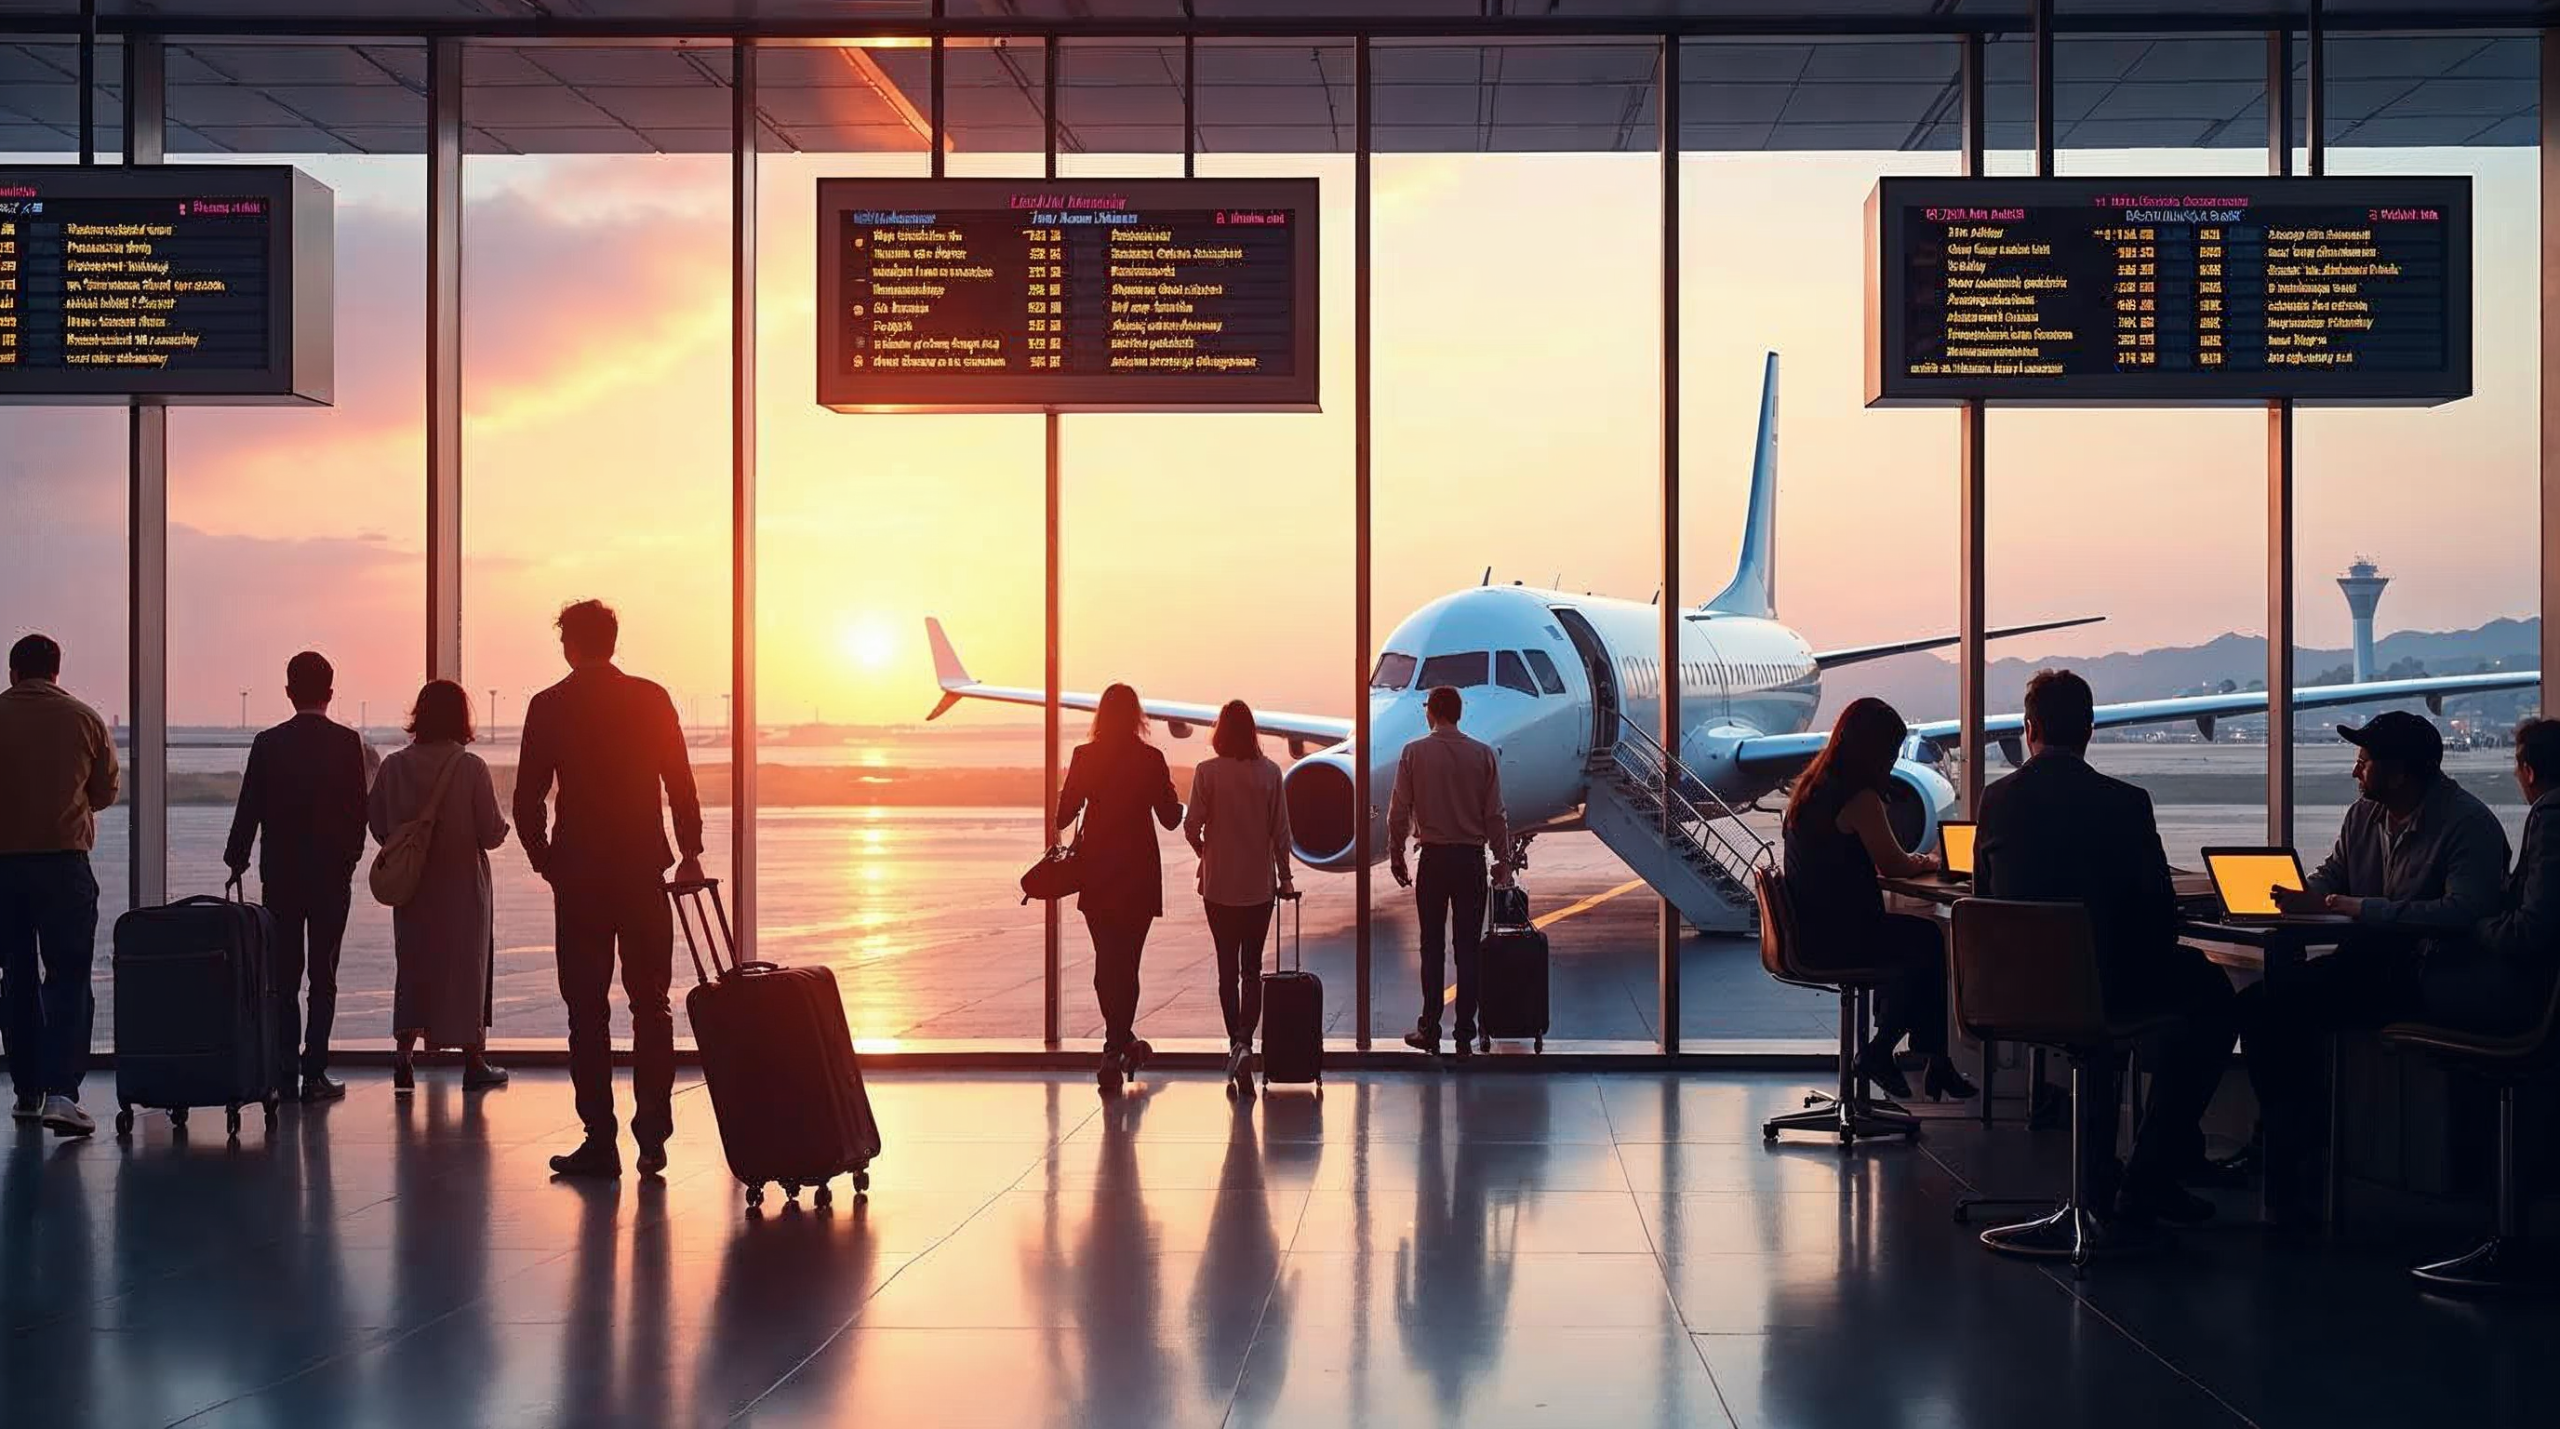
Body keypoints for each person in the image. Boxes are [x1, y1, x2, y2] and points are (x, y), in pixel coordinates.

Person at [1975, 669, 2238, 1229]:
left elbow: (1984, 899)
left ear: (2030, 729)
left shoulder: (1996, 800)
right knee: (2210, 995)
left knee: (2108, 1005)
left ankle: (2101, 1178)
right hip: (2105, 987)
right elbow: (2157, 913)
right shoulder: (2126, 803)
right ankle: (2150, 1174)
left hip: (2013, 989)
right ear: (2090, 731)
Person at [2240, 710, 2520, 1216]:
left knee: (2273, 1009)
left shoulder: (2467, 824)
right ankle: (2289, 1143)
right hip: (2372, 965)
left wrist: (2362, 909)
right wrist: (2305, 898)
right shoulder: (2364, 815)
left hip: (2429, 974)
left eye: (2363, 762)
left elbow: (2466, 913)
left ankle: (2289, 1146)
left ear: (2398, 773)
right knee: (2267, 1006)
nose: (2355, 772)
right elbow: (2336, 874)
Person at [516, 599, 704, 1179]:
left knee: (587, 1012)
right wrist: (690, 851)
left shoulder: (549, 705)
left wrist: (546, 859)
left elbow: (528, 797)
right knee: (652, 1006)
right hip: (642, 871)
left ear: (569, 646)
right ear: (614, 641)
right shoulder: (650, 698)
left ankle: (600, 1139)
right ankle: (653, 1137)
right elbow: (679, 780)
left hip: (580, 878)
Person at [1779, 697, 1975, 1101]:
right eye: (1889, 752)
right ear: (1874, 751)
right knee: (1928, 943)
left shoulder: (1811, 791)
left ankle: (1928, 1058)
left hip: (1812, 932)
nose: (1891, 762)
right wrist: (1929, 860)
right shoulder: (1859, 798)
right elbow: (1894, 865)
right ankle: (1892, 1052)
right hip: (1843, 938)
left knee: (1912, 943)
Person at [224, 651, 373, 1102]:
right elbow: (358, 812)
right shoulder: (349, 744)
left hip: (281, 877)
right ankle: (317, 1072)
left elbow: (249, 806)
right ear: (331, 693)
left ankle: (284, 1070)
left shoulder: (268, 744)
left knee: (283, 978)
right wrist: (349, 859)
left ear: (289, 693)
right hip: (330, 876)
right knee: (323, 976)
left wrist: (237, 859)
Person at [0, 634, 119, 1138]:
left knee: (16, 976)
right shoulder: (83, 719)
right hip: (64, 866)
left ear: (12, 673)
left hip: (3, 868)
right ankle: (63, 1094)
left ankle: (25, 1091)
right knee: (68, 976)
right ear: (56, 672)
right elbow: (106, 790)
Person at [370, 681, 511, 1095]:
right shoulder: (470, 767)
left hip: (414, 887)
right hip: (463, 886)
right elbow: (490, 832)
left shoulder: (394, 766)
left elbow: (378, 824)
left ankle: (403, 1057)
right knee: (467, 967)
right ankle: (473, 1060)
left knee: (413, 966)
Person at [1056, 683, 1184, 1093]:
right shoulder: (1151, 759)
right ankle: (1117, 1045)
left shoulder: (1084, 756)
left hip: (1097, 872)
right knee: (1127, 963)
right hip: (1138, 875)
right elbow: (1169, 819)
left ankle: (1117, 1046)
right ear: (1136, 717)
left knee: (1105, 961)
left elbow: (1062, 817)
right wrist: (1173, 797)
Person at [1387, 685, 1512, 1062]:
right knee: (1468, 950)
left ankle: (1430, 1028)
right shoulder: (1483, 755)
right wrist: (1503, 860)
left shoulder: (1414, 753)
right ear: (1458, 713)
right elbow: (1496, 815)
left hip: (1434, 861)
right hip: (1471, 860)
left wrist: (1396, 854)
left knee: (1431, 948)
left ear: (1432, 712)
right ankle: (1464, 1034)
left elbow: (1398, 811)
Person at [1183, 700, 1296, 1086]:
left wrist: (1206, 852)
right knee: (1253, 970)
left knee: (1226, 969)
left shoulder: (1206, 773)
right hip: (1257, 888)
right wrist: (1285, 877)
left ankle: (1234, 1043)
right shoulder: (1270, 773)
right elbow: (1281, 834)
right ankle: (1247, 1042)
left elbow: (1190, 824)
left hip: (1218, 886)